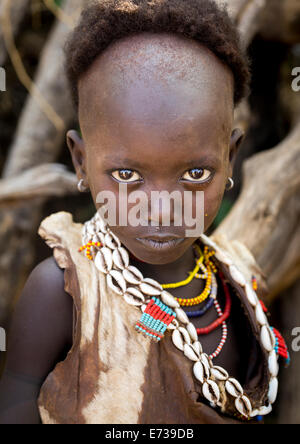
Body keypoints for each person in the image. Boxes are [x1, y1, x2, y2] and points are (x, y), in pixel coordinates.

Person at [0, 0, 289, 424]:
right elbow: (15, 402)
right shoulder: (63, 292)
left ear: (231, 158)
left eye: (194, 173)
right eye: (125, 173)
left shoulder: (239, 289)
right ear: (81, 162)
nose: (159, 207)